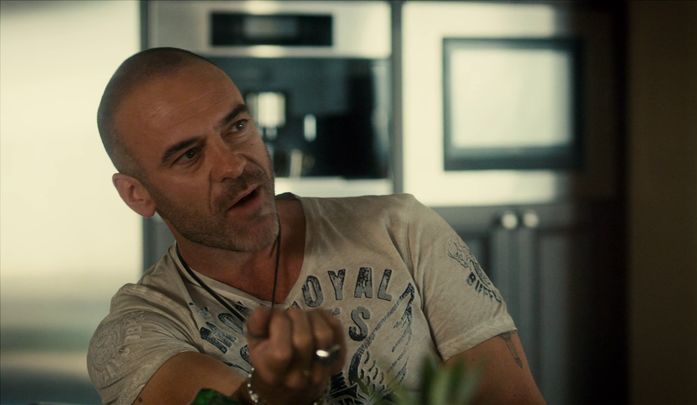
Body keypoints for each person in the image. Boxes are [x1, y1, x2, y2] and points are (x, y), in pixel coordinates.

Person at [87, 47, 545, 405]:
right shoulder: (138, 330)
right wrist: (271, 394)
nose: (234, 165)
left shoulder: (401, 228)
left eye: (237, 126)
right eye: (189, 155)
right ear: (137, 194)